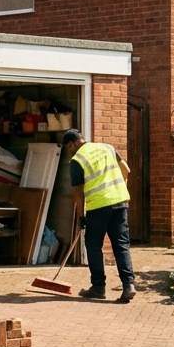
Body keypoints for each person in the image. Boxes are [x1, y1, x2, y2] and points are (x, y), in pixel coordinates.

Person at [61, 129, 135, 302]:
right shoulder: (107, 147)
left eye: (68, 148)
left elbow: (78, 193)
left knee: (93, 245)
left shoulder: (77, 161)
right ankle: (128, 285)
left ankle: (98, 287)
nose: (69, 151)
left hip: (99, 207)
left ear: (72, 144)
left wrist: (81, 217)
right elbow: (126, 170)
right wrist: (121, 189)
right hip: (120, 202)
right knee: (121, 245)